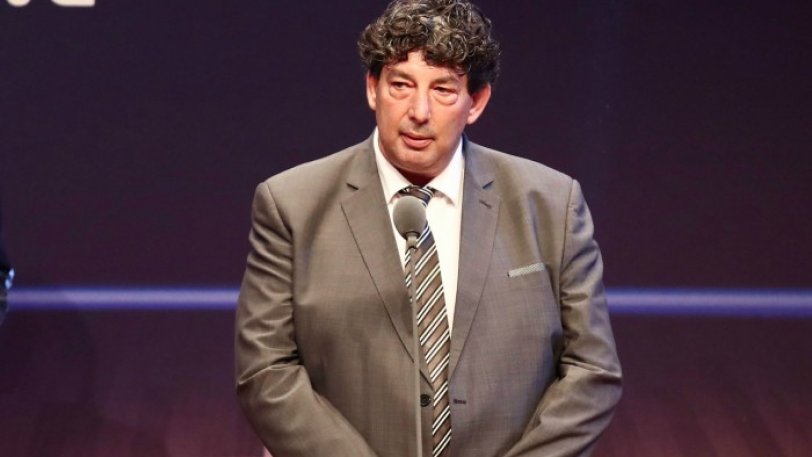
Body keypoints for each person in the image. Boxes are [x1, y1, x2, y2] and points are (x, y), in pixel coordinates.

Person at [235, 1, 622, 456]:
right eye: (401, 85)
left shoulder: (551, 204)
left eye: (443, 90)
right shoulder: (292, 205)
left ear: (476, 102)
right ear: (373, 89)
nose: (419, 111)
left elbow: (592, 370)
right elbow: (266, 370)